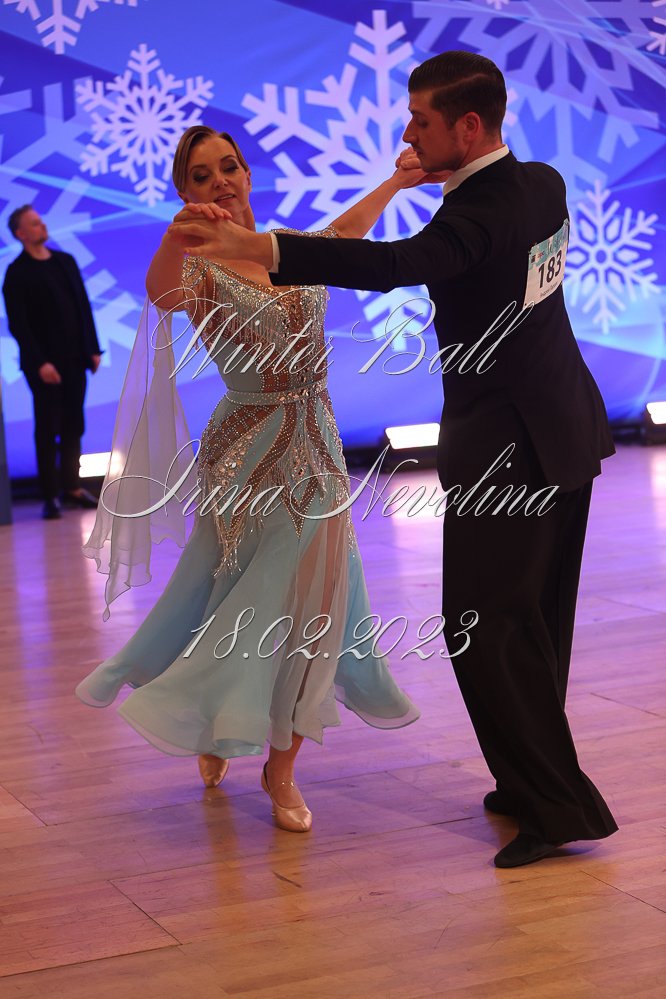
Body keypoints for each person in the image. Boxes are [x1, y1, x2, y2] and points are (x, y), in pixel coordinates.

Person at [170, 53, 619, 867]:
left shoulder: (471, 218)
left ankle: (555, 807)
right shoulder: (542, 184)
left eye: (422, 120)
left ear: (468, 127)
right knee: (533, 622)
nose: (408, 132)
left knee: (484, 627)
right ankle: (527, 784)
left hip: (507, 452)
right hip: (567, 428)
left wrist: (261, 245)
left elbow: (389, 266)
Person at [75, 126, 422, 833]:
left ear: (248, 173)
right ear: (185, 192)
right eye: (201, 176)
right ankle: (216, 716)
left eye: (228, 167)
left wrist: (396, 182)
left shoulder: (284, 247)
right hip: (247, 454)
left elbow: (346, 235)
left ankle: (280, 767)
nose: (220, 182)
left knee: (315, 605)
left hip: (318, 447)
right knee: (241, 598)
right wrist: (178, 233)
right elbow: (158, 292)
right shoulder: (197, 266)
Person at [2, 206, 102, 519]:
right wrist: (40, 362)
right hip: (44, 366)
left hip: (75, 358)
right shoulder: (17, 273)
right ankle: (50, 495)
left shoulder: (64, 261)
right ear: (21, 234)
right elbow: (19, 325)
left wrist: (92, 348)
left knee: (74, 424)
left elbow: (82, 305)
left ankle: (72, 488)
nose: (42, 225)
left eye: (40, 221)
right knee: (47, 428)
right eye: (34, 223)